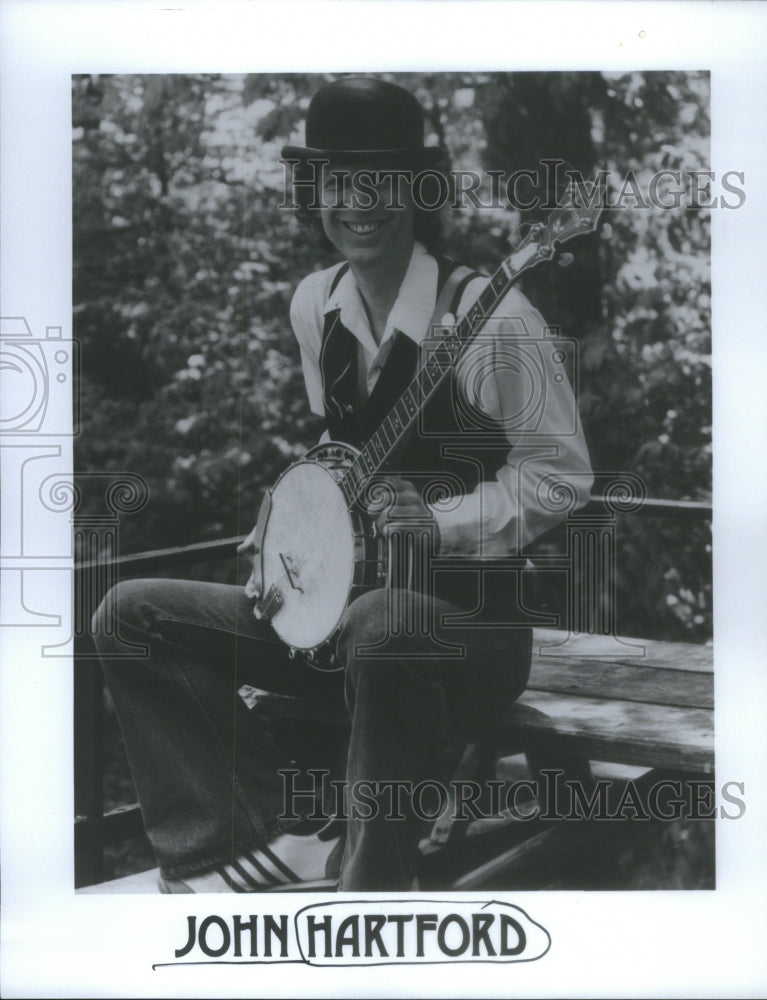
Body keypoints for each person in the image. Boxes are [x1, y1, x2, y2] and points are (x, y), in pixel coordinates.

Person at [92, 76, 593, 892]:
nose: (357, 202)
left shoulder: (494, 319)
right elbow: (343, 443)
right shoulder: (312, 304)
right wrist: (288, 527)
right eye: (336, 180)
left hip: (465, 636)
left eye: (382, 179)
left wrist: (443, 523)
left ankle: (371, 888)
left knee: (384, 619)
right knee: (132, 614)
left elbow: (562, 479)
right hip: (341, 627)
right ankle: (237, 843)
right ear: (314, 191)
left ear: (418, 190)